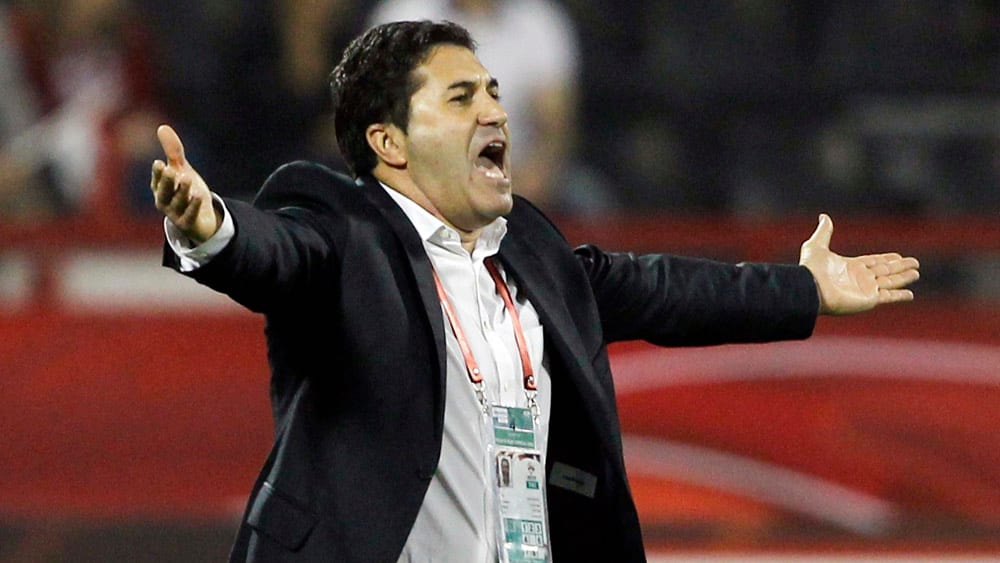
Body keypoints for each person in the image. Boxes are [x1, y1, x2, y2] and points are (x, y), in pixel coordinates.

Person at [150, 20, 919, 563]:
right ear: (389, 142)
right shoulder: (344, 234)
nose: (495, 109)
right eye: (461, 98)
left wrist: (805, 288)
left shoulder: (532, 252)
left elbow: (665, 290)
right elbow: (275, 252)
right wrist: (208, 226)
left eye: (492, 90)